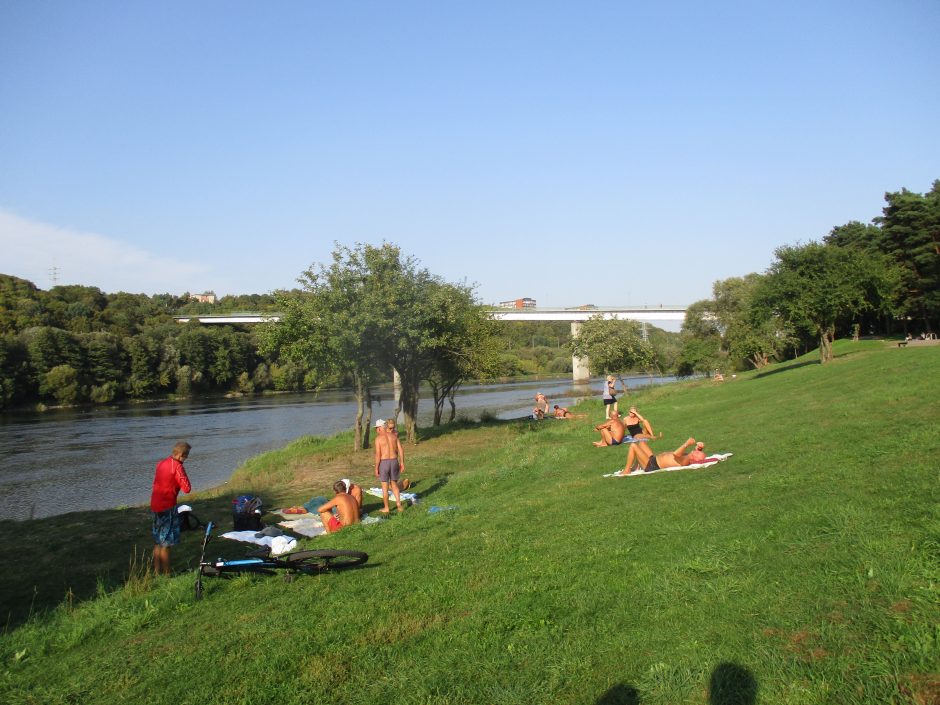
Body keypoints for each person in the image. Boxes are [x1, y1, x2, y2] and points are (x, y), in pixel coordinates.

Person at [150, 441, 192, 575]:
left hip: (155, 504)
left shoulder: (162, 463)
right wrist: (181, 471)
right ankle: (167, 574)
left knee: (157, 542)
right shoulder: (177, 467)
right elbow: (187, 488)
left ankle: (157, 573)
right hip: (167, 506)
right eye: (186, 455)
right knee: (166, 543)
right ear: (181, 455)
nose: (187, 458)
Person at [618, 437, 705, 475]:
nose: (696, 450)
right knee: (642, 443)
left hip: (651, 465)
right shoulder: (688, 455)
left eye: (697, 452)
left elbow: (676, 454)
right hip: (654, 459)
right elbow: (697, 452)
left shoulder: (686, 461)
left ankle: (627, 470)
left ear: (695, 459)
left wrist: (687, 444)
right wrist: (700, 447)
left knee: (633, 446)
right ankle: (636, 466)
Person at [374, 417, 406, 513]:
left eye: (376, 428)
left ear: (379, 428)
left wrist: (376, 467)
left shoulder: (378, 438)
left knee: (385, 487)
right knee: (394, 484)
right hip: (394, 461)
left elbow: (378, 454)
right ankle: (399, 504)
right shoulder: (394, 436)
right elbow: (401, 449)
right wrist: (402, 462)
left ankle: (387, 508)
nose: (376, 430)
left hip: (384, 462)